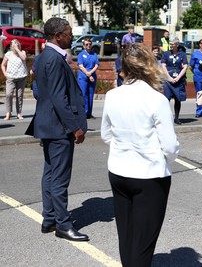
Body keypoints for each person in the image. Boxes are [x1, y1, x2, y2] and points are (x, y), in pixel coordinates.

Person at [101, 43, 179, 267]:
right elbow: (170, 146)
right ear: (148, 66)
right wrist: (163, 159)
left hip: (118, 171)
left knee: (126, 235)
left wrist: (126, 146)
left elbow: (106, 134)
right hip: (150, 176)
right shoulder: (157, 99)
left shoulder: (112, 95)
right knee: (144, 242)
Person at [25, 17, 89, 242]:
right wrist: (75, 127)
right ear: (57, 36)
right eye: (69, 33)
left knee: (50, 173)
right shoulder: (53, 58)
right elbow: (59, 98)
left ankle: (49, 218)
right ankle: (62, 224)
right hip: (59, 127)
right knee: (59, 177)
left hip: (47, 124)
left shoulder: (42, 57)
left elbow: (38, 90)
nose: (72, 37)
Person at [161, 37, 188, 125]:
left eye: (173, 44)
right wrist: (169, 78)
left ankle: (176, 118)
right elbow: (163, 66)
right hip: (168, 80)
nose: (171, 46)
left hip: (178, 80)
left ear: (177, 45)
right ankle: (165, 118)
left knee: (178, 99)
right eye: (170, 44)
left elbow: (185, 67)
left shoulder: (182, 54)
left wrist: (178, 78)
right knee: (166, 99)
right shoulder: (166, 54)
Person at [1, 39, 28, 120]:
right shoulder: (8, 54)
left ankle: (19, 113)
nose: (15, 45)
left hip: (21, 77)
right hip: (11, 78)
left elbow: (24, 58)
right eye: (14, 45)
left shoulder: (22, 52)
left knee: (19, 96)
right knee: (9, 95)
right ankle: (8, 113)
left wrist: (17, 49)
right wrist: (5, 74)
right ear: (11, 46)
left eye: (17, 44)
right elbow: (3, 65)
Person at [77, 38, 100, 119]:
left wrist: (91, 73)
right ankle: (84, 113)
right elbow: (80, 66)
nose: (88, 46)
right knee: (84, 94)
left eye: (90, 44)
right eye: (86, 44)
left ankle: (89, 113)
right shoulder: (81, 55)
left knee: (90, 95)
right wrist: (88, 74)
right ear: (84, 45)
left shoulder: (94, 54)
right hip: (83, 77)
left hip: (92, 77)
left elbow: (96, 65)